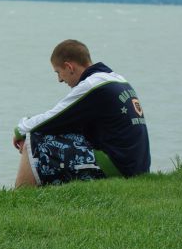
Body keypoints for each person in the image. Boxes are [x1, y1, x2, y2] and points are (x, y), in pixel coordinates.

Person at [13, 39, 150, 187]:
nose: (59, 79)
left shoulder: (92, 85)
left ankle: (19, 201)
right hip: (136, 167)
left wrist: (20, 130)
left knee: (33, 138)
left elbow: (53, 117)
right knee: (48, 134)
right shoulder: (117, 79)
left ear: (69, 66)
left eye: (58, 72)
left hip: (120, 169)